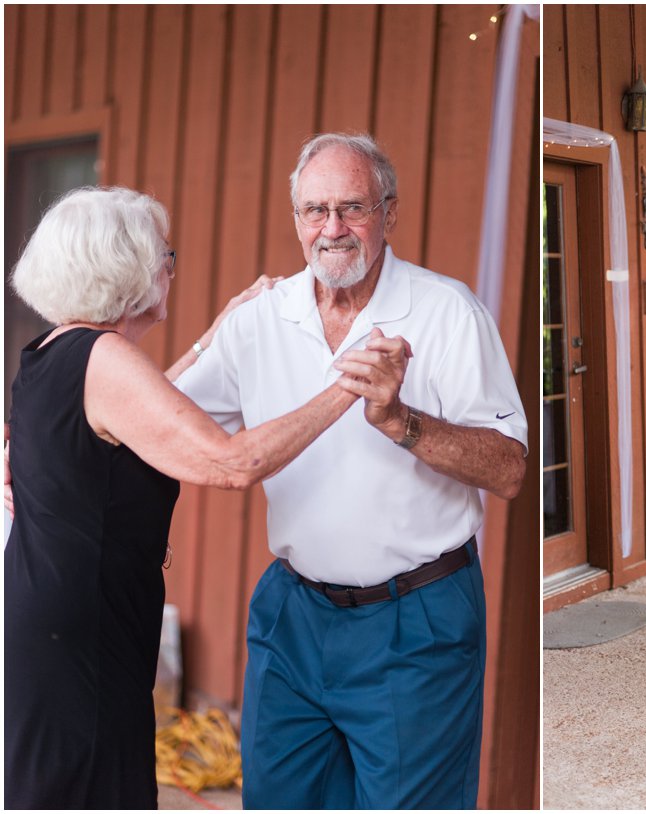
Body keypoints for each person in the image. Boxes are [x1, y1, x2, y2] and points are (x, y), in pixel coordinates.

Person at [168, 133, 528, 808]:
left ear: (389, 213)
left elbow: (509, 469)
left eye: (352, 208)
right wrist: (210, 333)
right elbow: (162, 419)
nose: (332, 229)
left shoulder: (447, 312)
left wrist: (403, 422)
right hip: (294, 614)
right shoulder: (259, 321)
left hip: (416, 619)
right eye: (315, 211)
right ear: (296, 220)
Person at [4, 187, 375, 809]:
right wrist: (350, 386)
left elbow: (139, 416)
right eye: (164, 256)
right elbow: (233, 462)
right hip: (81, 632)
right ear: (124, 269)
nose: (169, 270)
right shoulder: (105, 357)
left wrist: (215, 332)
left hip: (52, 616)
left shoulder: (50, 354)